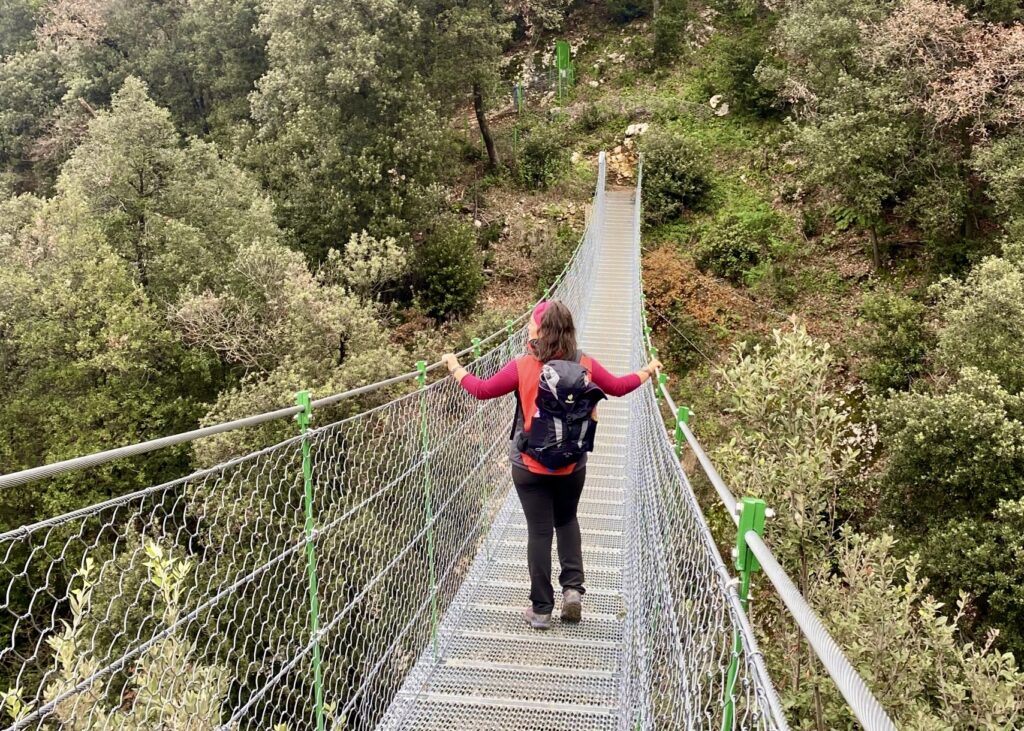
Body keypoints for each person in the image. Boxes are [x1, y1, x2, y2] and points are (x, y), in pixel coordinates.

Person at [442, 300, 661, 630]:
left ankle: (541, 610)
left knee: (539, 532)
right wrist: (648, 370)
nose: (528, 327)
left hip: (530, 466)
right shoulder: (584, 362)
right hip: (572, 465)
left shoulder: (522, 365)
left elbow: (482, 391)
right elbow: (616, 387)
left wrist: (455, 367)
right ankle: (572, 590)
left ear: (540, 331)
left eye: (531, 323)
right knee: (567, 520)